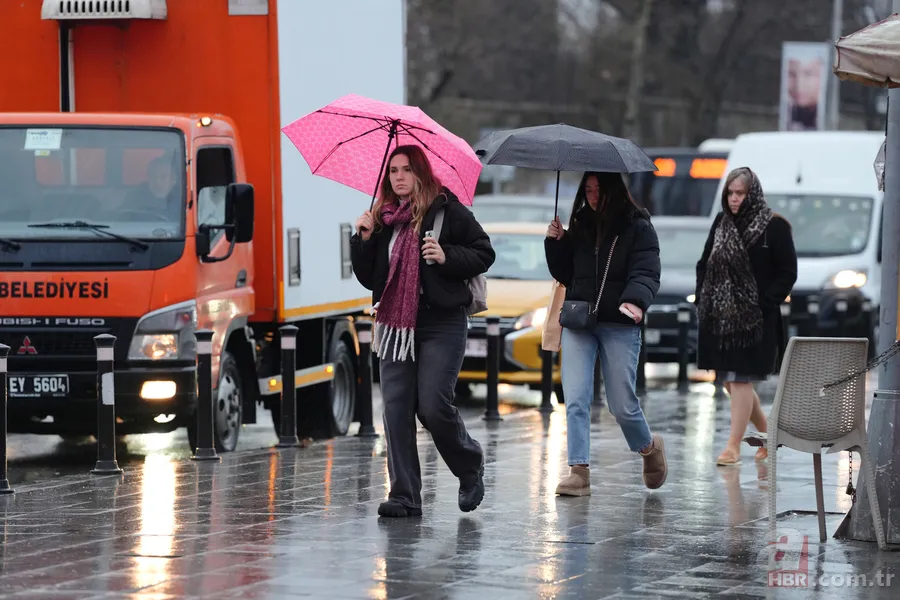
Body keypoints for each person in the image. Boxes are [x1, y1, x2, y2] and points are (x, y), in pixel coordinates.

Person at [350, 144, 496, 518]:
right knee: (396, 408)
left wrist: (447, 257)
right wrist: (363, 240)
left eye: (406, 170)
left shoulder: (447, 210)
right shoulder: (382, 219)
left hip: (441, 322)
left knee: (432, 405)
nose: (398, 177)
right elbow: (370, 278)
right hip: (395, 324)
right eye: (393, 171)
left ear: (421, 173)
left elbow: (484, 252)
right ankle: (404, 495)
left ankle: (469, 464)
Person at [545, 171, 668, 496]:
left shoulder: (638, 227)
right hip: (580, 322)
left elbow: (647, 271)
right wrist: (556, 243)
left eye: (598, 189)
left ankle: (649, 447)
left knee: (621, 405)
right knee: (575, 398)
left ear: (614, 190)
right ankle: (579, 471)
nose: (593, 196)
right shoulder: (581, 223)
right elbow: (567, 274)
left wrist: (635, 300)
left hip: (620, 322)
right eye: (587, 189)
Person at [695, 167, 797, 466]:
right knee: (729, 382)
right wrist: (703, 297)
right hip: (720, 317)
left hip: (754, 320)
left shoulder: (774, 226)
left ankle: (733, 447)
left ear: (752, 194)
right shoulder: (721, 222)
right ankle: (767, 435)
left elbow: (787, 272)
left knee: (739, 381)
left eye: (740, 193)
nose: (734, 198)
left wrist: (763, 303)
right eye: (730, 193)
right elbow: (704, 263)